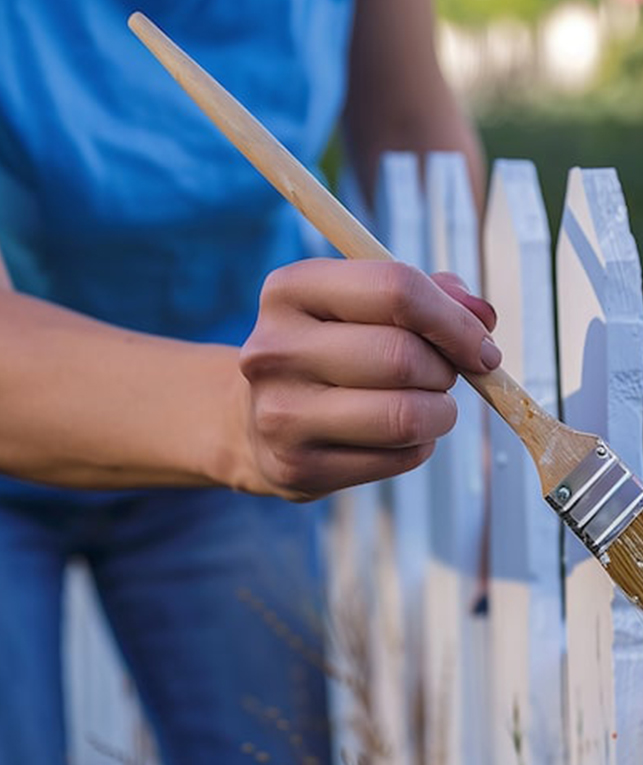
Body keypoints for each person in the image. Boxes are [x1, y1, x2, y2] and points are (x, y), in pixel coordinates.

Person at [0, 1, 496, 763]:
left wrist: (484, 445)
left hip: (240, 407)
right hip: (223, 405)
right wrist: (241, 417)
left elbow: (406, 121)